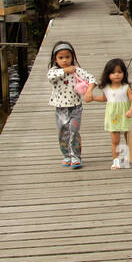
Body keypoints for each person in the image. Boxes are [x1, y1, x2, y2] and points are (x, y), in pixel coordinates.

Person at [47, 41, 95, 169]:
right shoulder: (54, 71)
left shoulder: (76, 71)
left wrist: (89, 90)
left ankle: (76, 156)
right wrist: (64, 70)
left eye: (67, 57)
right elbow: (50, 77)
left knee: (74, 130)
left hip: (75, 107)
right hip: (60, 108)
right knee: (63, 131)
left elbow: (92, 78)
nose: (64, 60)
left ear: (72, 57)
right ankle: (66, 154)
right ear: (55, 59)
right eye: (61, 58)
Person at [84, 58, 132, 169]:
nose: (116, 75)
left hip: (125, 115)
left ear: (124, 73)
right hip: (113, 116)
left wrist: (131, 110)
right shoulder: (107, 88)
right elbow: (105, 99)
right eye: (113, 73)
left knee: (129, 137)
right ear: (108, 74)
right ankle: (116, 160)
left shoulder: (126, 87)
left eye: (119, 72)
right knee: (115, 141)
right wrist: (93, 98)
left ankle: (129, 155)